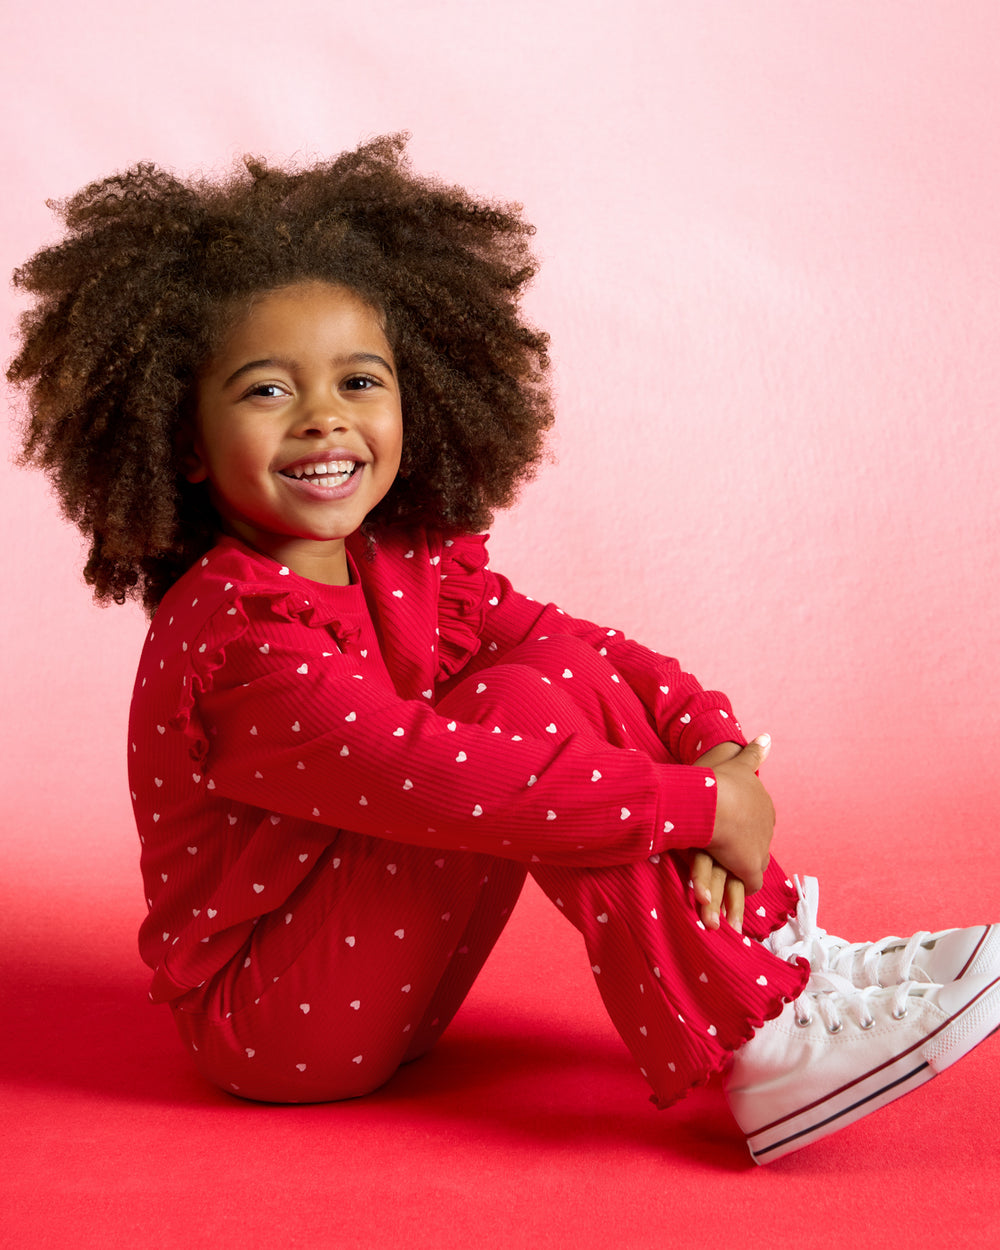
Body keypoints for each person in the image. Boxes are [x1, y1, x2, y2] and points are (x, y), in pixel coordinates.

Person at [9, 134, 1000, 1164]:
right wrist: (702, 806)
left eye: (360, 380)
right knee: (512, 723)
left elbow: (567, 641)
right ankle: (756, 1035)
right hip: (275, 1021)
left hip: (385, 989)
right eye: (267, 391)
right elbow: (441, 777)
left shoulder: (400, 560)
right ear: (181, 438)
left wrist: (710, 741)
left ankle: (773, 956)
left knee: (546, 674)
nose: (323, 420)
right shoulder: (233, 642)